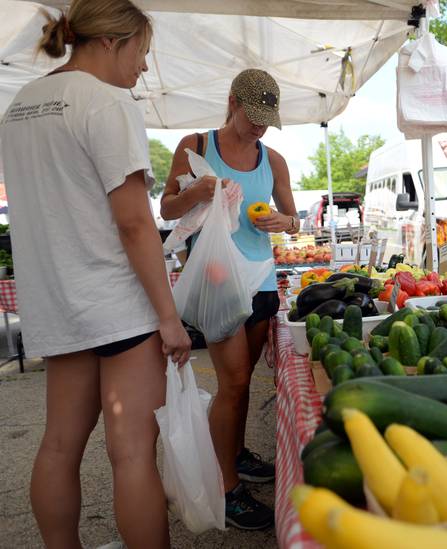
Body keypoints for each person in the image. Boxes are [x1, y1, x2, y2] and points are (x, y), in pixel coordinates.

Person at [0, 1, 192, 547]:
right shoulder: (107, 102)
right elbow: (134, 223)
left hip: (56, 300)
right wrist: (168, 317)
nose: (144, 68)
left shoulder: (20, 104)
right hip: (117, 301)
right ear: (112, 42)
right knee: (131, 451)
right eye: (143, 53)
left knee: (58, 445)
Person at [161, 68, 299, 531]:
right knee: (234, 382)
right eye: (253, 116)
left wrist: (282, 222)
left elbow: (294, 217)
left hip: (261, 280)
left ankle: (235, 455)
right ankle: (226, 490)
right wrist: (200, 190)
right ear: (233, 103)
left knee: (242, 382)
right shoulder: (196, 147)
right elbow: (166, 208)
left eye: (267, 119)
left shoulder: (273, 159)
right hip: (217, 279)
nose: (259, 127)